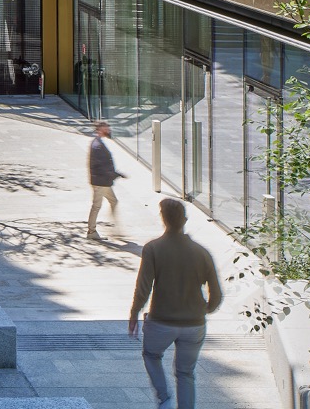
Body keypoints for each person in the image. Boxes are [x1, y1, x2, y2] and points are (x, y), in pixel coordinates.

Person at [129, 198, 222, 409]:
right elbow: (216, 293)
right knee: (186, 372)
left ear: (163, 219)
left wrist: (134, 313)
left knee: (151, 355)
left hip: (162, 319)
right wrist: (205, 309)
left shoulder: (153, 248)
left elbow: (144, 287)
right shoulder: (201, 252)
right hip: (194, 323)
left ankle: (165, 399)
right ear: (185, 220)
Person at [87, 120, 123, 239]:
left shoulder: (98, 143)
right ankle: (91, 232)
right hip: (100, 183)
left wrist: (114, 174)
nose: (108, 129)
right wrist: (115, 174)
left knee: (113, 201)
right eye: (106, 128)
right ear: (100, 130)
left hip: (103, 182)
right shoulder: (97, 146)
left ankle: (113, 229)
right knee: (96, 206)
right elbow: (102, 167)